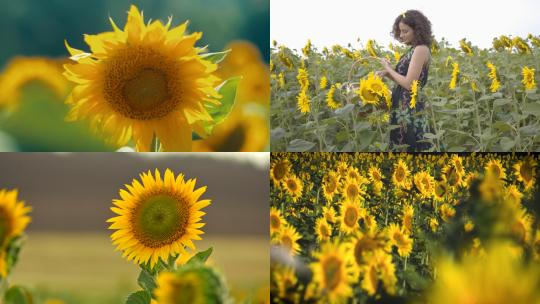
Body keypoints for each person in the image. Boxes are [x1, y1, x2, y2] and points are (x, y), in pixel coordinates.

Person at [375, 10, 432, 151]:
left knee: (410, 143)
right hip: (401, 106)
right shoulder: (413, 50)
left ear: (417, 30)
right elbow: (404, 78)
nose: (401, 35)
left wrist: (389, 69)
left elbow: (409, 83)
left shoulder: (421, 49)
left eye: (405, 31)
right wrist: (387, 74)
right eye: (400, 31)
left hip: (409, 109)